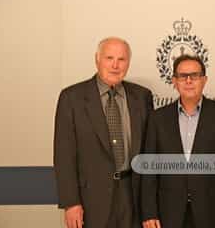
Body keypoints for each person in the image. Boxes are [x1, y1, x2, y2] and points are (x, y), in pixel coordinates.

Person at [53, 37, 153, 228]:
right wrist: (71, 203)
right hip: (91, 200)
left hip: (133, 196)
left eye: (122, 59)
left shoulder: (142, 97)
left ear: (128, 63)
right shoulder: (72, 98)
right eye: (109, 58)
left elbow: (150, 151)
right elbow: (64, 155)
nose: (115, 65)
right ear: (97, 59)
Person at [141, 55, 215, 228]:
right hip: (168, 212)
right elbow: (150, 169)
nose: (188, 81)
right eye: (183, 76)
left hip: (212, 211)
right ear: (174, 81)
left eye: (194, 76)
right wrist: (149, 211)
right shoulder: (157, 118)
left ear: (204, 80)